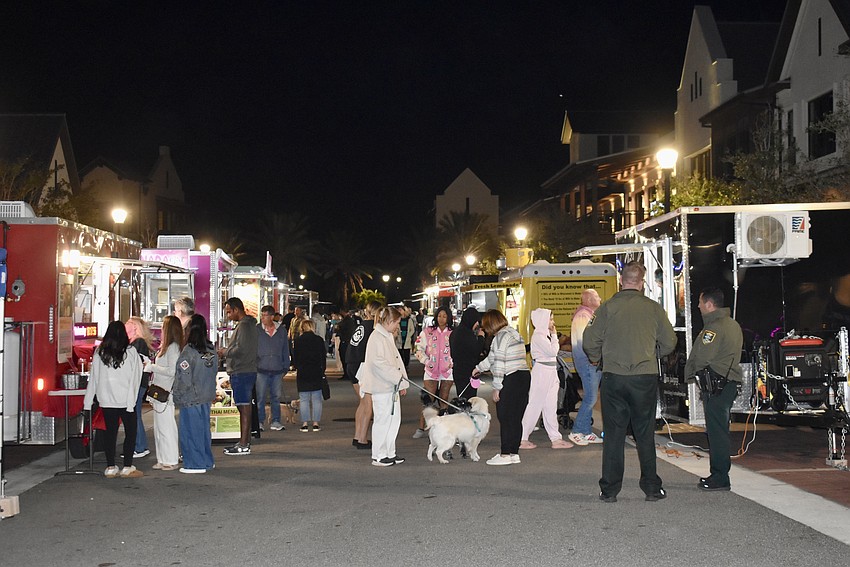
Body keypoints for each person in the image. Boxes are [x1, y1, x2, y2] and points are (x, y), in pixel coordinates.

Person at [583, 261, 677, 503]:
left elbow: (589, 339)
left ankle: (610, 490)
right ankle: (652, 488)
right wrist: (651, 353)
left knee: (614, 434)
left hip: (614, 377)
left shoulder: (607, 307)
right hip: (644, 377)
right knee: (644, 433)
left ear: (621, 281)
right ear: (642, 283)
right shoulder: (653, 308)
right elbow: (669, 342)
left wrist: (596, 358)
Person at [684, 287, 743, 492]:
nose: (698, 306)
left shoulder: (714, 328)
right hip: (726, 384)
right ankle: (718, 474)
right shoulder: (732, 324)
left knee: (717, 433)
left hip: (717, 385)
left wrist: (690, 372)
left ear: (709, 305)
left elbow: (702, 356)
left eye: (700, 303)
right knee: (719, 430)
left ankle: (720, 477)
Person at [83, 321, 144, 478]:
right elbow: (135, 379)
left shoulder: (100, 352)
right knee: (130, 433)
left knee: (110, 433)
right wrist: (132, 402)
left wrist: (88, 402)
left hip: (107, 400)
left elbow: (94, 379)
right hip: (126, 401)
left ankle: (110, 466)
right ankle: (127, 466)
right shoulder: (131, 352)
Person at [472, 309, 530, 466]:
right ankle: (514, 453)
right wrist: (478, 368)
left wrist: (497, 387)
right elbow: (492, 358)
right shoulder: (513, 333)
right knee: (516, 418)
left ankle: (505, 454)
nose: (484, 329)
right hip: (524, 376)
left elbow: (499, 363)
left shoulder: (499, 338)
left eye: (485, 326)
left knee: (505, 417)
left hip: (510, 378)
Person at [357, 307, 409, 466]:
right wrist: (398, 378)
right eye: (397, 323)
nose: (398, 327)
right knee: (382, 421)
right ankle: (379, 455)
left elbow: (394, 361)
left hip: (390, 386)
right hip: (382, 387)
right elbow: (378, 363)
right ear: (389, 321)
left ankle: (389, 452)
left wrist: (401, 382)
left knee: (394, 421)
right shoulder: (376, 337)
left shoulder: (386, 336)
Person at [520, 308, 573, 449]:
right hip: (542, 372)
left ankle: (555, 438)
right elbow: (553, 351)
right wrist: (555, 336)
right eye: (550, 319)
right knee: (535, 405)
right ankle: (523, 437)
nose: (553, 322)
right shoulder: (539, 336)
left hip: (549, 371)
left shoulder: (544, 335)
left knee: (550, 406)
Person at [173, 314, 218, 473]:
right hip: (206, 395)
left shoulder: (189, 351)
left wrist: (176, 395)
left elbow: (184, 379)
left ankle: (194, 463)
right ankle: (206, 460)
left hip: (191, 398)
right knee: (204, 431)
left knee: (191, 432)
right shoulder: (211, 349)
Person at [218, 297, 259, 456]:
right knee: (243, 406)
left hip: (242, 370)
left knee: (244, 406)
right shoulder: (248, 325)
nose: (228, 315)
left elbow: (240, 349)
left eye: (229, 311)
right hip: (244, 370)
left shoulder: (244, 326)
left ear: (236, 309)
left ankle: (243, 443)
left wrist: (224, 352)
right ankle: (244, 441)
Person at [145, 315, 182, 470]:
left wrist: (152, 367)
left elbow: (172, 371)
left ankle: (171, 459)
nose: (160, 329)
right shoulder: (167, 347)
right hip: (160, 392)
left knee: (166, 427)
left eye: (163, 327)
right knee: (160, 428)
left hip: (165, 393)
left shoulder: (172, 348)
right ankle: (163, 458)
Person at [568, 288, 605, 446]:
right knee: (590, 398)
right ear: (589, 300)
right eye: (596, 296)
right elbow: (586, 341)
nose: (600, 298)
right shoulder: (584, 316)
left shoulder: (587, 315)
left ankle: (586, 431)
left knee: (591, 397)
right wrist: (594, 358)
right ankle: (577, 431)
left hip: (588, 361)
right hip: (589, 362)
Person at [413, 305, 453, 438]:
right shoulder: (427, 332)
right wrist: (426, 361)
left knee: (444, 399)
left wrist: (452, 363)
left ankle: (443, 429)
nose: (441, 319)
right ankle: (421, 427)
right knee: (428, 399)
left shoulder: (452, 333)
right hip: (430, 371)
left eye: (444, 316)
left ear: (449, 318)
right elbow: (418, 348)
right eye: (439, 316)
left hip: (447, 371)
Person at [346, 300, 381, 449]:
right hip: (362, 366)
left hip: (351, 365)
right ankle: (362, 439)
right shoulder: (374, 328)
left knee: (362, 402)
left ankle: (357, 435)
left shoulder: (360, 326)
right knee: (368, 404)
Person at [256, 304, 290, 432]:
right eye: (262, 315)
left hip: (277, 369)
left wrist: (286, 366)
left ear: (271, 316)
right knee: (260, 397)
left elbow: (285, 349)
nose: (262, 318)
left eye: (265, 315)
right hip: (261, 368)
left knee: (276, 397)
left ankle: (276, 421)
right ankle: (259, 421)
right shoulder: (257, 330)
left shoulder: (281, 331)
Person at [125, 316, 153, 459]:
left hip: (137, 383)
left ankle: (139, 446)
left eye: (129, 323)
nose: (126, 325)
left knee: (134, 414)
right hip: (136, 383)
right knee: (134, 414)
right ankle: (139, 445)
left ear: (135, 327)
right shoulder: (135, 343)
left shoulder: (138, 343)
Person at [293, 319, 327, 432]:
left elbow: (295, 358)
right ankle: (316, 423)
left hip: (303, 372)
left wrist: (297, 367)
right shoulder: (319, 340)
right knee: (317, 399)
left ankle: (305, 423)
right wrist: (323, 370)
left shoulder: (298, 341)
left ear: (302, 328)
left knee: (304, 399)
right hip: (316, 371)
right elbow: (323, 357)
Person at [449, 307, 485, 400]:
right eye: (476, 321)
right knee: (470, 399)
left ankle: (463, 414)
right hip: (468, 371)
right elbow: (476, 351)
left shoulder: (455, 332)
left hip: (458, 370)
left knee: (462, 397)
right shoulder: (467, 334)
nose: (477, 324)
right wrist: (481, 338)